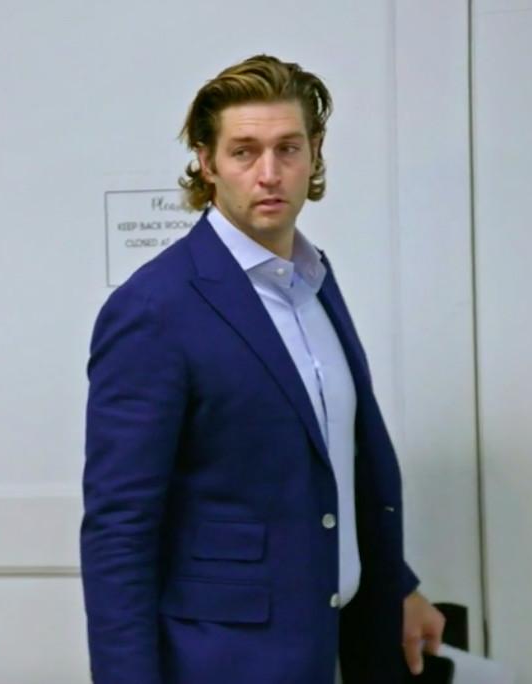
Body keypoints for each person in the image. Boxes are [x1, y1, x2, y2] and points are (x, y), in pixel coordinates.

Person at [80, 54, 446, 683]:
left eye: (288, 148)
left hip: (340, 641)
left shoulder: (314, 280)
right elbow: (120, 530)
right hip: (225, 658)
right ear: (207, 162)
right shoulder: (154, 308)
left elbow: (334, 460)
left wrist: (397, 585)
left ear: (315, 152)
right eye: (244, 152)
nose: (269, 173)